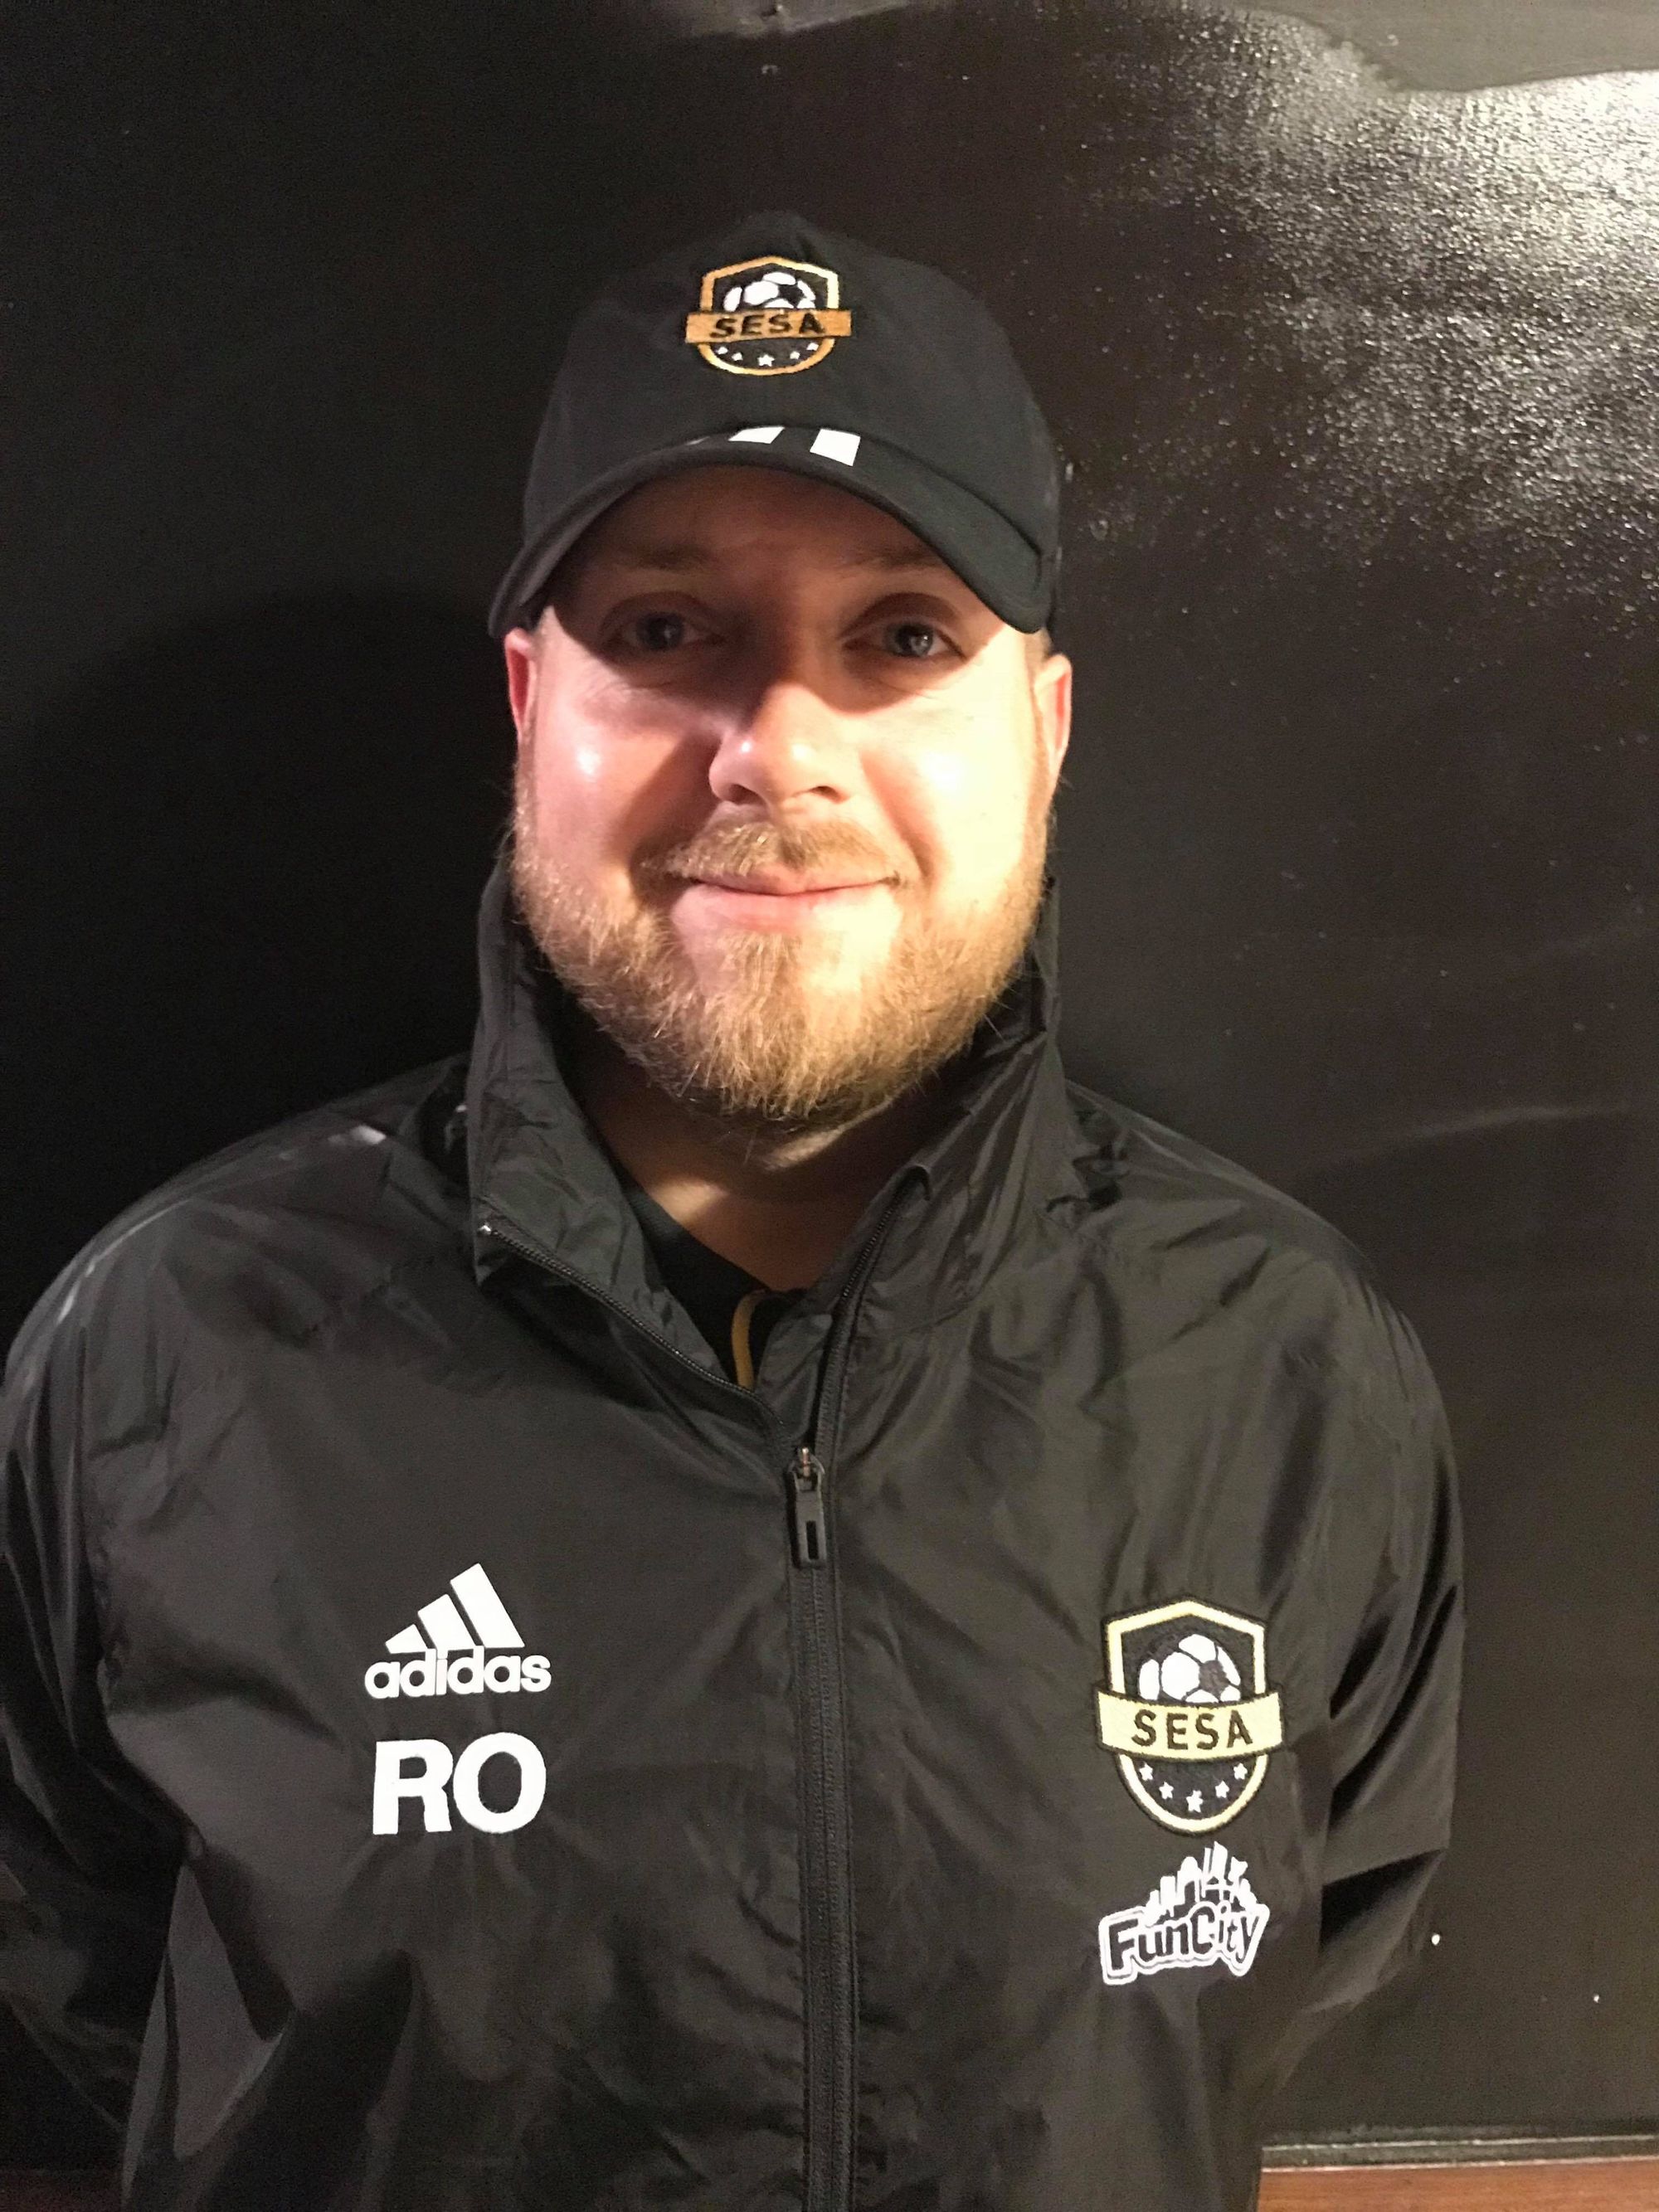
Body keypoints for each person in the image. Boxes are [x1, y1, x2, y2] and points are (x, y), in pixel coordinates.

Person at [0, 212, 1462, 2210]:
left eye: (904, 638)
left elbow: (1294, 1968)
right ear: (531, 704)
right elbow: (90, 1976)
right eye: (669, 631)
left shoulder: (1284, 1361)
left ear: (1041, 728)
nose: (777, 748)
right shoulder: (169, 1350)